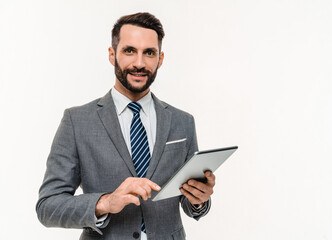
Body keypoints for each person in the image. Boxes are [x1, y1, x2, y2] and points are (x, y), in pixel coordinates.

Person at [36, 12, 215, 240]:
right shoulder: (76, 121)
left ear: (160, 59)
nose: (139, 63)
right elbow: (48, 206)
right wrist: (105, 202)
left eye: (149, 53)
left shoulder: (183, 121)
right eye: (129, 50)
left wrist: (198, 200)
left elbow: (188, 203)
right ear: (112, 55)